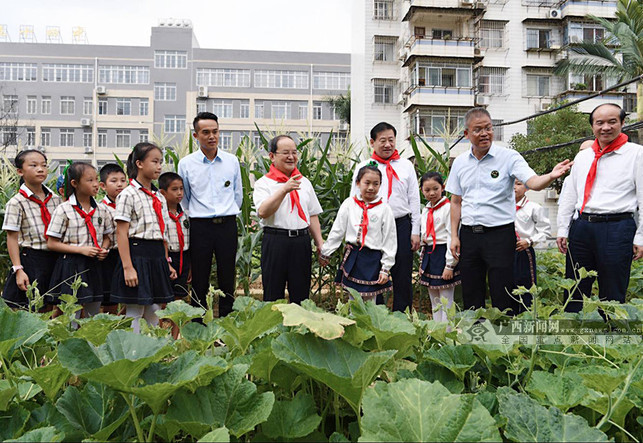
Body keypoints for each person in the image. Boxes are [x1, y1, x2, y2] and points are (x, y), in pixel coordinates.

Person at [446, 107, 572, 314]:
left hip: (499, 234)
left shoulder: (509, 157)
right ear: (466, 134)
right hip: (469, 235)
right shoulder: (460, 162)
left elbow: (533, 182)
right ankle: (475, 338)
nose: (485, 133)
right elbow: (456, 201)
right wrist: (454, 236)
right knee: (471, 290)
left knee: (503, 290)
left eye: (488, 128)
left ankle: (505, 338)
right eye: (478, 130)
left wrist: (550, 175)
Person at [556, 103, 642, 311]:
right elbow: (570, 194)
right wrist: (562, 228)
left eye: (612, 122)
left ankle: (610, 335)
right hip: (582, 226)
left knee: (612, 287)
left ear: (622, 123)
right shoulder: (583, 156)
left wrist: (640, 236)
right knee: (575, 285)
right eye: (599, 122)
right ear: (593, 126)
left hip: (617, 227)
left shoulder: (636, 154)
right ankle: (573, 332)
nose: (606, 127)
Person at [178, 112, 242, 317]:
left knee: (227, 275)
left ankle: (226, 321)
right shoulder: (186, 164)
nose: (211, 136)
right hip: (200, 226)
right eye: (205, 132)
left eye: (215, 131)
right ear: (196, 135)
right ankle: (199, 323)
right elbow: (184, 198)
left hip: (227, 225)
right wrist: (198, 214)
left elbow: (237, 195)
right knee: (199, 277)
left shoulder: (231, 161)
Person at [351, 122, 421, 311]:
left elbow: (414, 200)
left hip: (401, 225)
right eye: (383, 140)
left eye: (391, 140)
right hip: (373, 225)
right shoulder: (364, 167)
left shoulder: (406, 166)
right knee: (373, 269)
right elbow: (354, 200)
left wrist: (416, 231)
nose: (388, 144)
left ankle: (401, 315)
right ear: (372, 142)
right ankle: (377, 313)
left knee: (402, 272)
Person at [112, 142, 176, 333]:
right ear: (139, 163)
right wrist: (128, 267)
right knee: (135, 308)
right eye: (154, 161)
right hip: (137, 254)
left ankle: (153, 351)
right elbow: (121, 232)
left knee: (154, 308)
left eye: (161, 162)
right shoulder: (128, 194)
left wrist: (166, 261)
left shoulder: (159, 197)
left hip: (156, 256)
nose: (159, 166)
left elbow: (162, 233)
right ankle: (132, 353)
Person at [253, 135, 324, 303]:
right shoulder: (264, 183)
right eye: (285, 152)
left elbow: (312, 214)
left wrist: (320, 243)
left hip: (301, 242)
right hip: (275, 241)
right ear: (272, 156)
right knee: (273, 294)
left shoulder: (304, 182)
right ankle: (273, 329)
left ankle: (299, 328)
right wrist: (284, 189)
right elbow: (263, 211)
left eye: (294, 152)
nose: (291, 157)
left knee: (301, 294)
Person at [321, 164, 397, 302]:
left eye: (376, 184)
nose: (371, 188)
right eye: (366, 183)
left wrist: (385, 267)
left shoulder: (385, 209)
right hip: (354, 256)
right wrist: (326, 252)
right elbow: (337, 230)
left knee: (370, 301)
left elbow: (389, 240)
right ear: (358, 183)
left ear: (380, 185)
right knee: (353, 299)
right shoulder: (349, 204)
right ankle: (352, 322)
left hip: (373, 259)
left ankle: (367, 323)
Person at [46, 162, 112, 316]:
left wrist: (104, 248)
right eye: (90, 180)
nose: (96, 184)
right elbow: (52, 243)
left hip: (94, 263)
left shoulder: (102, 209)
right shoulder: (64, 209)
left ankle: (89, 339)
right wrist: (81, 250)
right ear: (75, 183)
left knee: (93, 309)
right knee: (71, 312)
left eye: (96, 179)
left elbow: (107, 236)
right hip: (71, 265)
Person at [2, 150, 62, 307]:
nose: (41, 169)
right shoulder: (16, 203)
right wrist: (18, 269)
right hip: (31, 259)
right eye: (34, 165)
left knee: (54, 306)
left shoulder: (56, 200)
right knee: (29, 307)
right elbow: (12, 237)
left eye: (44, 165)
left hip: (55, 258)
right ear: (20, 171)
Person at [418, 172, 460, 322]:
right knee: (434, 298)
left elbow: (452, 235)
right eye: (427, 190)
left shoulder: (448, 208)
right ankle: (437, 332)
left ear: (443, 188)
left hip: (444, 252)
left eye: (435, 189)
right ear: (421, 190)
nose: (431, 193)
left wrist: (450, 265)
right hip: (430, 253)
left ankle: (448, 335)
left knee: (446, 298)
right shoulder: (426, 210)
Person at [513, 179, 550, 299]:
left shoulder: (533, 207)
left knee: (526, 284)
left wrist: (529, 241)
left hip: (524, 250)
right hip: (504, 251)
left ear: (527, 187)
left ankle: (526, 314)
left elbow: (545, 230)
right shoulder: (502, 207)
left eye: (518, 184)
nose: (514, 187)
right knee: (507, 284)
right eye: (511, 184)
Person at [99, 163, 127, 313]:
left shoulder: (130, 204)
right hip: (110, 255)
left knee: (128, 295)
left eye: (123, 180)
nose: (120, 184)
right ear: (103, 185)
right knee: (109, 297)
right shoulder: (100, 208)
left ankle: (123, 322)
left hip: (128, 254)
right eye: (114, 181)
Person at [159, 172, 191, 300]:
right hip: (169, 257)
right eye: (174, 189)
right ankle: (162, 320)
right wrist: (167, 263)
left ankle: (175, 320)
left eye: (181, 189)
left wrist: (190, 267)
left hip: (184, 256)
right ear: (163, 193)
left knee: (180, 293)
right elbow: (163, 241)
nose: (179, 193)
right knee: (165, 295)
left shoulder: (186, 214)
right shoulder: (161, 214)